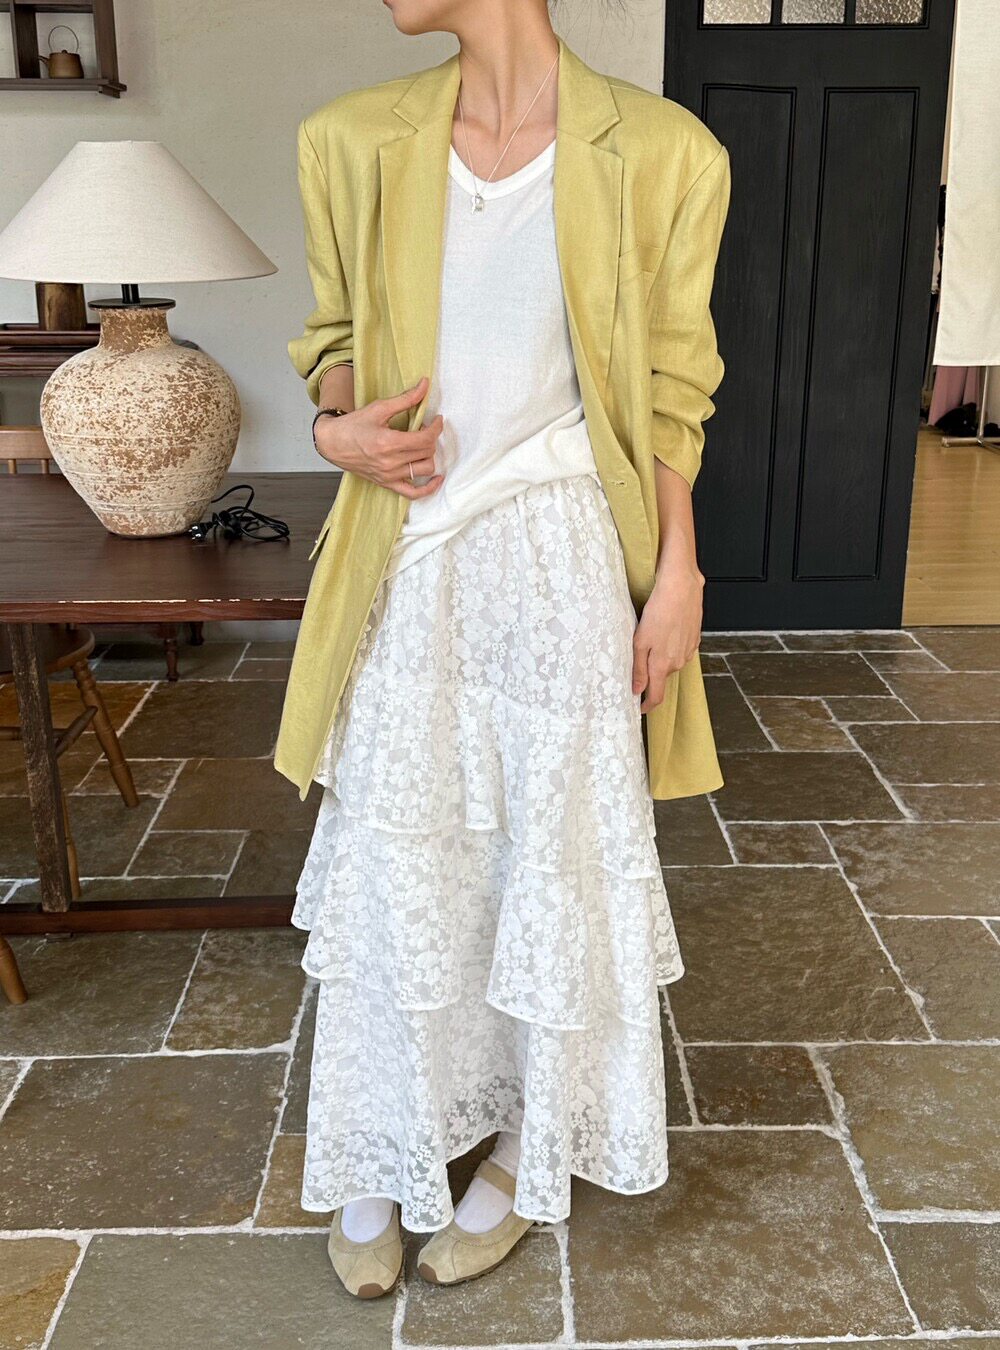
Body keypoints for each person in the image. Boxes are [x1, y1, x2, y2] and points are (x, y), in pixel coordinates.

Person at [280, 0, 730, 1300]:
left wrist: (680, 570)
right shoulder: (348, 140)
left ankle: (530, 1153)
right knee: (397, 862)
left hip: (562, 555)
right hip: (408, 553)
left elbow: (671, 391)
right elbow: (332, 348)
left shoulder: (666, 153)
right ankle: (382, 1146)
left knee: (554, 859)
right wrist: (336, 433)